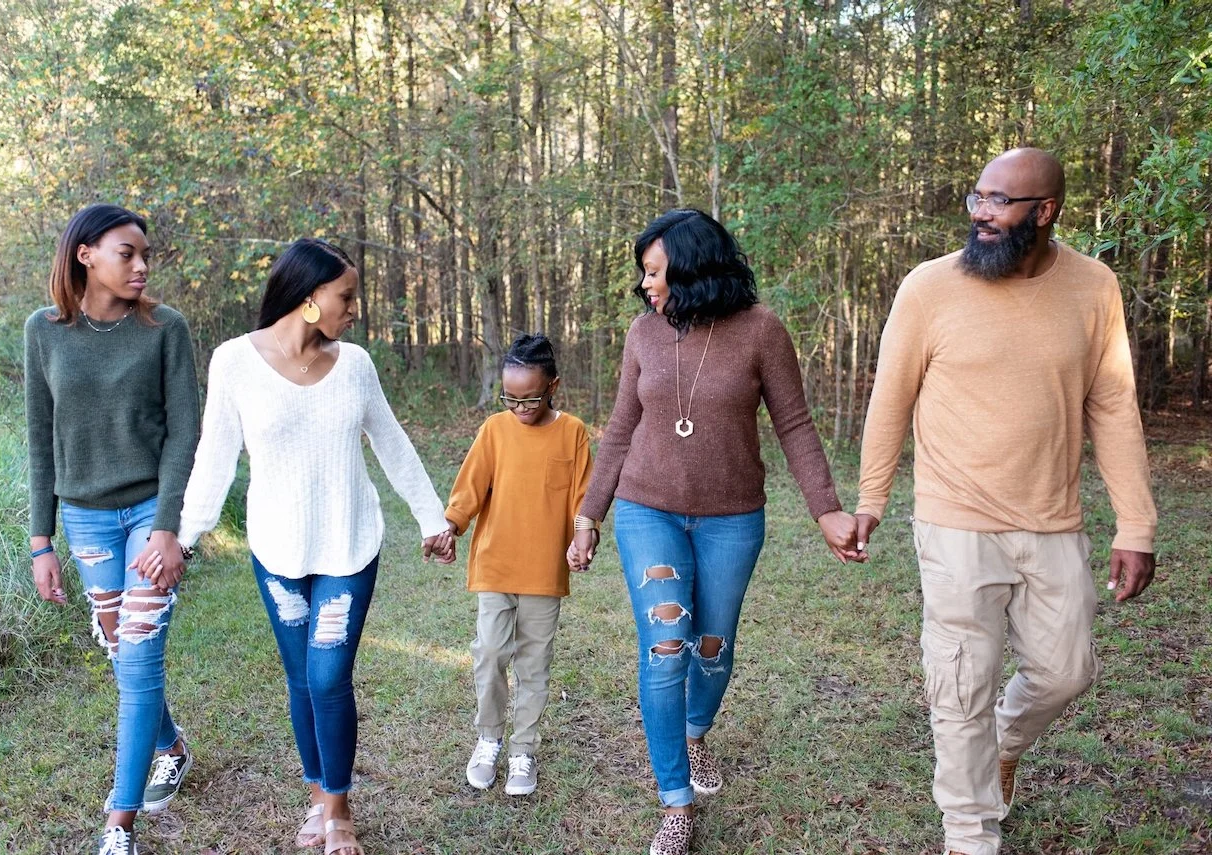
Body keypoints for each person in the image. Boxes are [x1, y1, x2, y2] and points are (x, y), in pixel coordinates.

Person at [854, 147, 1158, 855]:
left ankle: (1004, 742)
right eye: (978, 197)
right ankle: (970, 834)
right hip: (955, 522)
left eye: (1000, 202)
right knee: (960, 684)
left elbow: (1113, 405)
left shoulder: (1093, 286)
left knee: (1067, 671)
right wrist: (872, 497)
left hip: (1052, 521)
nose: (982, 214)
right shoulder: (930, 288)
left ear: (1045, 211)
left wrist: (1136, 524)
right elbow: (889, 398)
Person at [569, 209, 862, 855]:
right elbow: (619, 429)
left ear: (693, 267)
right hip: (648, 511)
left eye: (654, 271)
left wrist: (826, 510)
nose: (645, 284)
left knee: (712, 646)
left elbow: (794, 424)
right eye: (644, 273)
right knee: (665, 646)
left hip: (732, 518)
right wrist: (589, 515)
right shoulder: (644, 333)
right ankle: (675, 802)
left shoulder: (761, 330)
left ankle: (694, 732)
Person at [176, 238, 454, 855]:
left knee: (328, 676)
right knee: (302, 679)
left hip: (349, 546)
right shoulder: (234, 362)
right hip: (277, 551)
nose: (354, 309)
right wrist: (185, 539)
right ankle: (318, 799)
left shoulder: (355, 365)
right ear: (308, 297)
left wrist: (431, 518)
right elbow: (214, 458)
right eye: (346, 297)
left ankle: (340, 809)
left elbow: (392, 442)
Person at [24, 203, 200, 855]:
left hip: (152, 513)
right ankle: (172, 747)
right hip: (85, 516)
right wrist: (41, 541)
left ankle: (119, 825)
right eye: (128, 253)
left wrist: (169, 528)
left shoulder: (165, 328)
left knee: (141, 651)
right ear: (86, 254)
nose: (142, 265)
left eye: (145, 255)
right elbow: (40, 438)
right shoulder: (44, 331)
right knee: (121, 651)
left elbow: (185, 433)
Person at [442, 333, 593, 797]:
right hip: (496, 564)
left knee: (534, 664)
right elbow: (470, 486)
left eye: (530, 398)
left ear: (553, 387)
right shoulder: (495, 429)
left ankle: (523, 749)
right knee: (489, 653)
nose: (520, 408)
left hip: (544, 571)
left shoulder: (573, 432)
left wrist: (583, 536)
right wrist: (451, 525)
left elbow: (583, 498)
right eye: (510, 398)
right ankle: (489, 738)